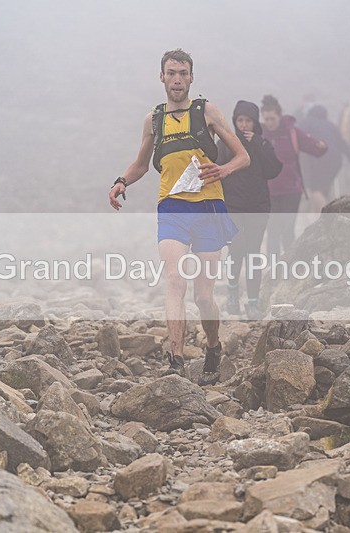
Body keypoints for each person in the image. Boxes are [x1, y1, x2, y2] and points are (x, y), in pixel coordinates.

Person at [108, 49, 250, 385]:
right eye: (171, 73)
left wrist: (225, 169)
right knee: (175, 281)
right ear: (161, 77)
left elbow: (243, 156)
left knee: (203, 296)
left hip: (208, 208)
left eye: (183, 73)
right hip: (172, 208)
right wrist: (121, 181)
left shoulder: (207, 112)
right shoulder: (153, 120)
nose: (177, 79)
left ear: (191, 77)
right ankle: (176, 360)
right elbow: (142, 164)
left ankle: (213, 346)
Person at [216, 100, 283, 320]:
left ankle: (253, 301)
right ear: (235, 121)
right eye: (240, 120)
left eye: (248, 121)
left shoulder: (262, 144)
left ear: (255, 123)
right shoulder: (225, 143)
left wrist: (256, 145)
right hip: (232, 206)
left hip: (258, 206)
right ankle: (232, 290)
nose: (244, 125)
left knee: (254, 252)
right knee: (236, 249)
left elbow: (273, 170)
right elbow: (217, 171)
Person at [261, 95, 327, 256]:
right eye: (266, 119)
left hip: (291, 190)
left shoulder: (292, 132)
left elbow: (314, 149)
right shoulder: (260, 134)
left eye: (272, 119)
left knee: (287, 228)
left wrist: (322, 147)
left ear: (279, 115)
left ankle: (291, 265)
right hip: (268, 191)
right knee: (272, 231)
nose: (269, 123)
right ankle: (273, 268)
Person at [298, 104, 350, 212]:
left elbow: (296, 138)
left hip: (318, 158)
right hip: (335, 160)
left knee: (315, 190)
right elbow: (342, 143)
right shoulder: (332, 126)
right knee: (322, 190)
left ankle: (326, 219)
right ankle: (317, 216)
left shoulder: (305, 122)